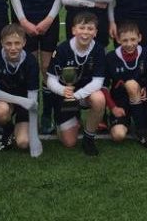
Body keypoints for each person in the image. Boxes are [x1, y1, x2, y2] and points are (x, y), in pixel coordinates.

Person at [9, 0, 64, 136]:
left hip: (48, 22)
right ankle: (29, 112)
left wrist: (49, 19)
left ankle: (47, 115)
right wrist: (23, 21)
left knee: (47, 68)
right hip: (26, 23)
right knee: (30, 67)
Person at [46, 11, 107, 156]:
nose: (85, 32)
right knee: (69, 142)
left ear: (95, 32)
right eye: (82, 28)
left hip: (84, 95)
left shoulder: (98, 50)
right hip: (65, 96)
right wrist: (63, 91)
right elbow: (50, 79)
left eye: (90, 29)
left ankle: (89, 137)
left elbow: (98, 82)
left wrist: (78, 95)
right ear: (73, 30)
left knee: (99, 98)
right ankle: (68, 119)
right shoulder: (62, 49)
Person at [0, 23, 42, 156]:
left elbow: (32, 102)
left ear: (24, 42)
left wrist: (35, 138)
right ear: (2, 43)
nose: (13, 48)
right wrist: (19, 100)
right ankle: (7, 129)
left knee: (23, 143)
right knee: (0, 111)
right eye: (8, 43)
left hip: (26, 105)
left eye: (17, 43)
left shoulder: (31, 62)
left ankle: (21, 128)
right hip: (5, 101)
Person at [103, 21, 147, 147]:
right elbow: (103, 87)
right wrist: (113, 107)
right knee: (118, 135)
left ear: (139, 38)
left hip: (141, 101)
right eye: (125, 40)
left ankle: (141, 130)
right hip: (120, 104)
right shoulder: (111, 57)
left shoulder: (146, 54)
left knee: (131, 84)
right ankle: (126, 122)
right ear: (118, 40)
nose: (129, 44)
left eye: (133, 39)